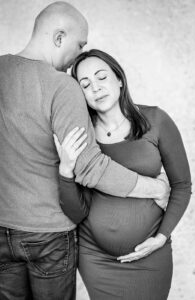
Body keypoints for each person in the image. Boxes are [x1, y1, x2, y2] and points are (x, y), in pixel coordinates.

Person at [0, 3, 170, 300]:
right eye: (79, 45)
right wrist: (153, 187)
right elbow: (89, 166)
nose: (78, 56)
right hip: (49, 235)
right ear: (58, 38)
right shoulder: (61, 85)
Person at [55, 49, 192, 300]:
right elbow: (76, 211)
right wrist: (65, 170)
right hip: (95, 258)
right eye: (85, 85)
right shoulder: (81, 136)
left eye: (101, 77)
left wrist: (162, 237)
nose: (95, 88)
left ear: (119, 78)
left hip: (150, 256)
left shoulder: (156, 120)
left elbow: (182, 185)